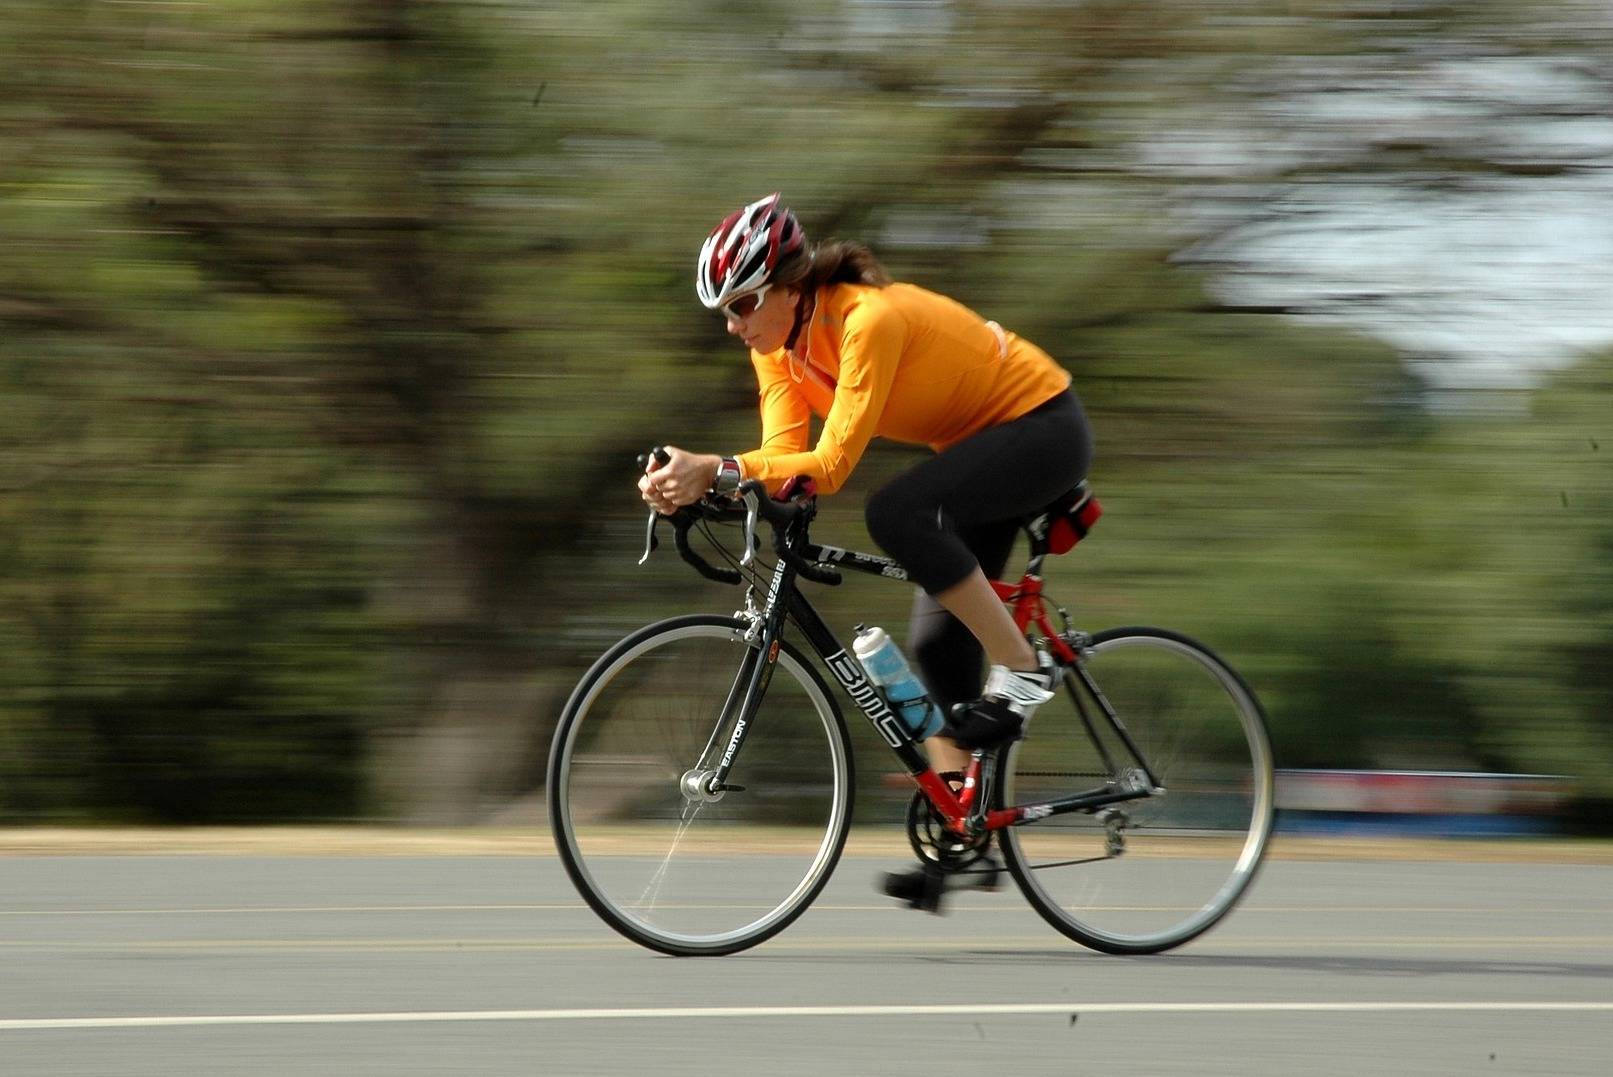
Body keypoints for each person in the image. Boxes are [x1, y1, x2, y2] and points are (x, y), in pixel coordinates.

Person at [639, 193, 1094, 903]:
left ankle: (1022, 668)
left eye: (743, 302)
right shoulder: (778, 347)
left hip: (1041, 427)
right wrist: (699, 485)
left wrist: (719, 465)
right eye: (723, 311)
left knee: (896, 511)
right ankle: (964, 835)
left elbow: (835, 461)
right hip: (978, 449)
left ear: (792, 284)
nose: (734, 325)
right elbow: (787, 458)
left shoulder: (865, 319)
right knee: (940, 644)